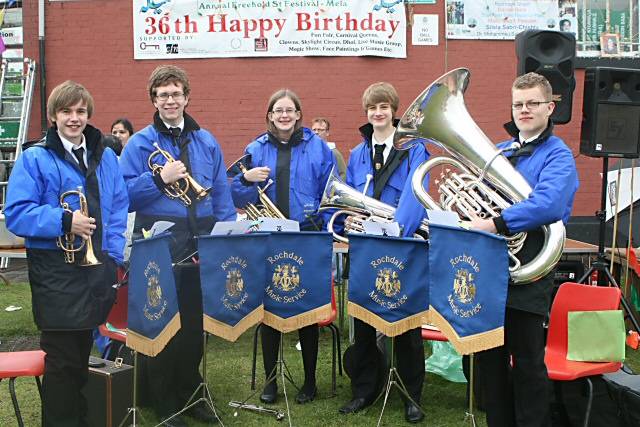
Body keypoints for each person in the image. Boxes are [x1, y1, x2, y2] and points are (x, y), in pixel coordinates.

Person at [4, 80, 128, 426]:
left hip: (97, 268)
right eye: (66, 111)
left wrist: (114, 254)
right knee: (62, 363)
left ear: (88, 114)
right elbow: (16, 213)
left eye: (80, 111)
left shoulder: (105, 157)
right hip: (56, 271)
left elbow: (118, 207)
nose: (74, 118)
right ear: (53, 116)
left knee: (83, 359)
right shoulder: (35, 157)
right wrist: (63, 219)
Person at [119, 65, 237, 426]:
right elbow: (121, 195)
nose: (170, 100)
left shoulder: (206, 141)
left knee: (193, 327)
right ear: (154, 100)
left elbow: (221, 193)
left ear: (187, 97)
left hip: (201, 241)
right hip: (160, 244)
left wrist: (227, 234)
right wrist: (158, 178)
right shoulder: (139, 143)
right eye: (163, 95)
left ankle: (190, 391)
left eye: (176, 93)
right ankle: (164, 400)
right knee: (161, 325)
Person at [469, 72, 579, 427]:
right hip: (489, 269)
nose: (524, 110)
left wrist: (496, 222)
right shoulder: (498, 153)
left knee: (528, 361)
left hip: (528, 269)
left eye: (532, 103)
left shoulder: (557, 155)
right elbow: (475, 193)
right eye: (518, 104)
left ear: (550, 107)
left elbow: (549, 204)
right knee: (490, 361)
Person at [230, 89, 336, 405]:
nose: (284, 115)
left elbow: (332, 190)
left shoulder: (318, 147)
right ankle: (270, 381)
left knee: (307, 311)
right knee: (269, 311)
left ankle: (310, 382)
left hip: (307, 236)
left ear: (298, 114)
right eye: (278, 110)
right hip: (269, 239)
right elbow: (236, 196)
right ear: (270, 115)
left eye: (290, 110)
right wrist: (246, 178)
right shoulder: (255, 148)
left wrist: (321, 218)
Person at [338, 82, 429, 424]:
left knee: (406, 325)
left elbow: (416, 194)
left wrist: (397, 230)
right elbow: (352, 194)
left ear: (394, 110)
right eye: (372, 108)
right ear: (366, 113)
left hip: (401, 243)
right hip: (366, 246)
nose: (378, 113)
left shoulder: (414, 148)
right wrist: (351, 218)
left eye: (384, 107)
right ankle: (363, 390)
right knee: (362, 321)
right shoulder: (359, 152)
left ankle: (411, 396)